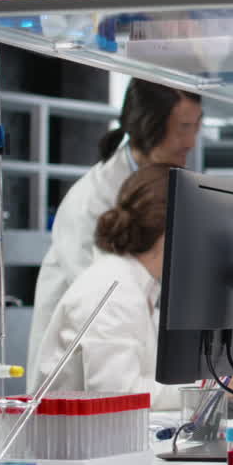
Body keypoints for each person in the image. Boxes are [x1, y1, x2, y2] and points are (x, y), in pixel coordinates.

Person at [26, 80, 201, 385]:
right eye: (184, 127)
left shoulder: (158, 184)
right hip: (80, 387)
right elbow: (106, 310)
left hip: (126, 376)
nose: (191, 142)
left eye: (196, 126)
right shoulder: (88, 203)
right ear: (149, 126)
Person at [33, 163, 182, 409]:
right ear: (170, 227)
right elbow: (119, 395)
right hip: (76, 443)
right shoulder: (114, 290)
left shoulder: (137, 284)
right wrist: (203, 391)